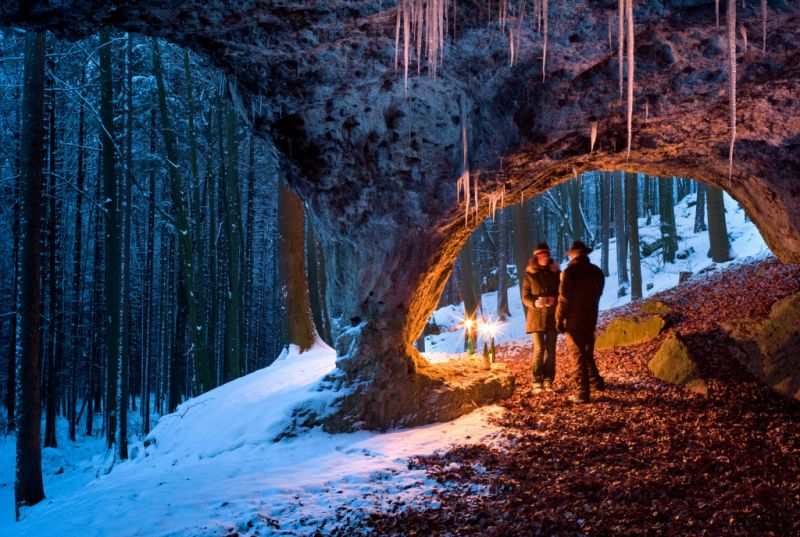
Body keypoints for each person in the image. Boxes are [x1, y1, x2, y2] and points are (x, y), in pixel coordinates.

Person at [556, 240, 606, 403]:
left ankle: (582, 393)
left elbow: (564, 298)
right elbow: (599, 293)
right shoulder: (596, 271)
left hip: (575, 319)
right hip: (591, 316)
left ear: (573, 255)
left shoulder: (570, 272)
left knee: (577, 354)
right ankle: (596, 383)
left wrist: (558, 318)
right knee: (587, 351)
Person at [521, 242, 561, 393]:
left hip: (552, 317)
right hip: (536, 318)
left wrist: (554, 300)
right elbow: (525, 296)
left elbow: (562, 292)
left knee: (550, 350)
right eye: (542, 255)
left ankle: (548, 380)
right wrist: (535, 303)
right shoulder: (530, 275)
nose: (545, 257)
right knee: (539, 349)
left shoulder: (556, 273)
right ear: (536, 257)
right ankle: (536, 380)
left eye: (547, 255)